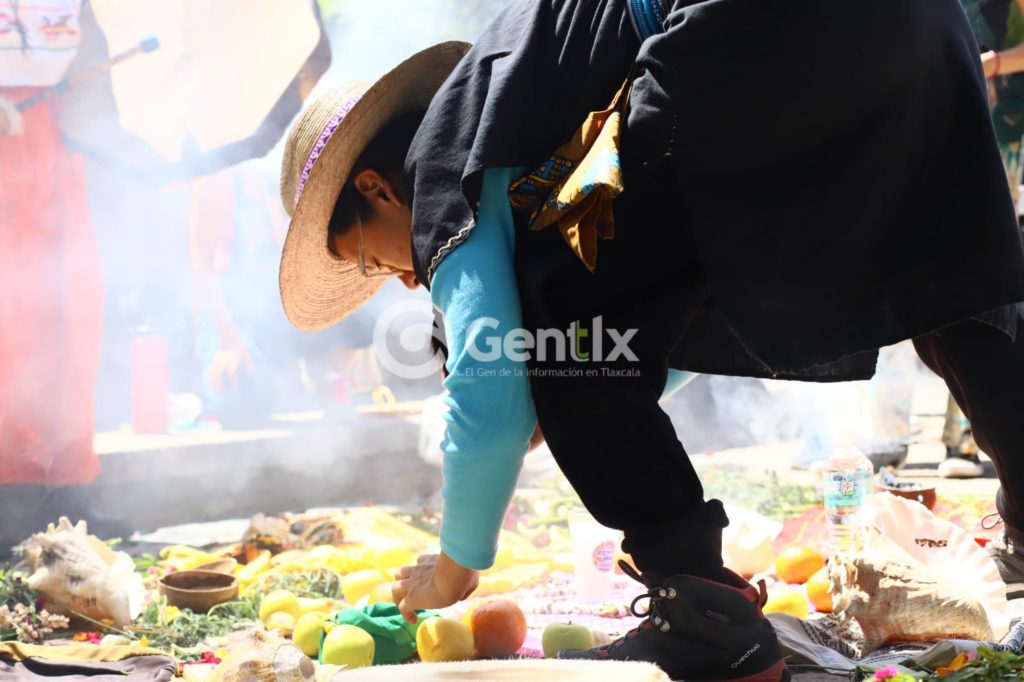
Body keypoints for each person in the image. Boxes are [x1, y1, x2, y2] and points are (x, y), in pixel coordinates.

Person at [276, 0, 1024, 678]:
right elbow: (648, 321)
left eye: (371, 260)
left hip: (742, 32)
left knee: (558, 327)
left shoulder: (439, 163)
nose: (404, 281)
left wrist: (454, 566)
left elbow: (488, 384)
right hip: (916, 23)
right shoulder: (524, 116)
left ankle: (703, 620)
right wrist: (564, 401)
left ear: (376, 187)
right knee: (948, 286)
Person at [0, 0, 130, 552]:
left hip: (59, 134)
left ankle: (69, 492)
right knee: (9, 321)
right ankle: (10, 496)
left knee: (70, 312)